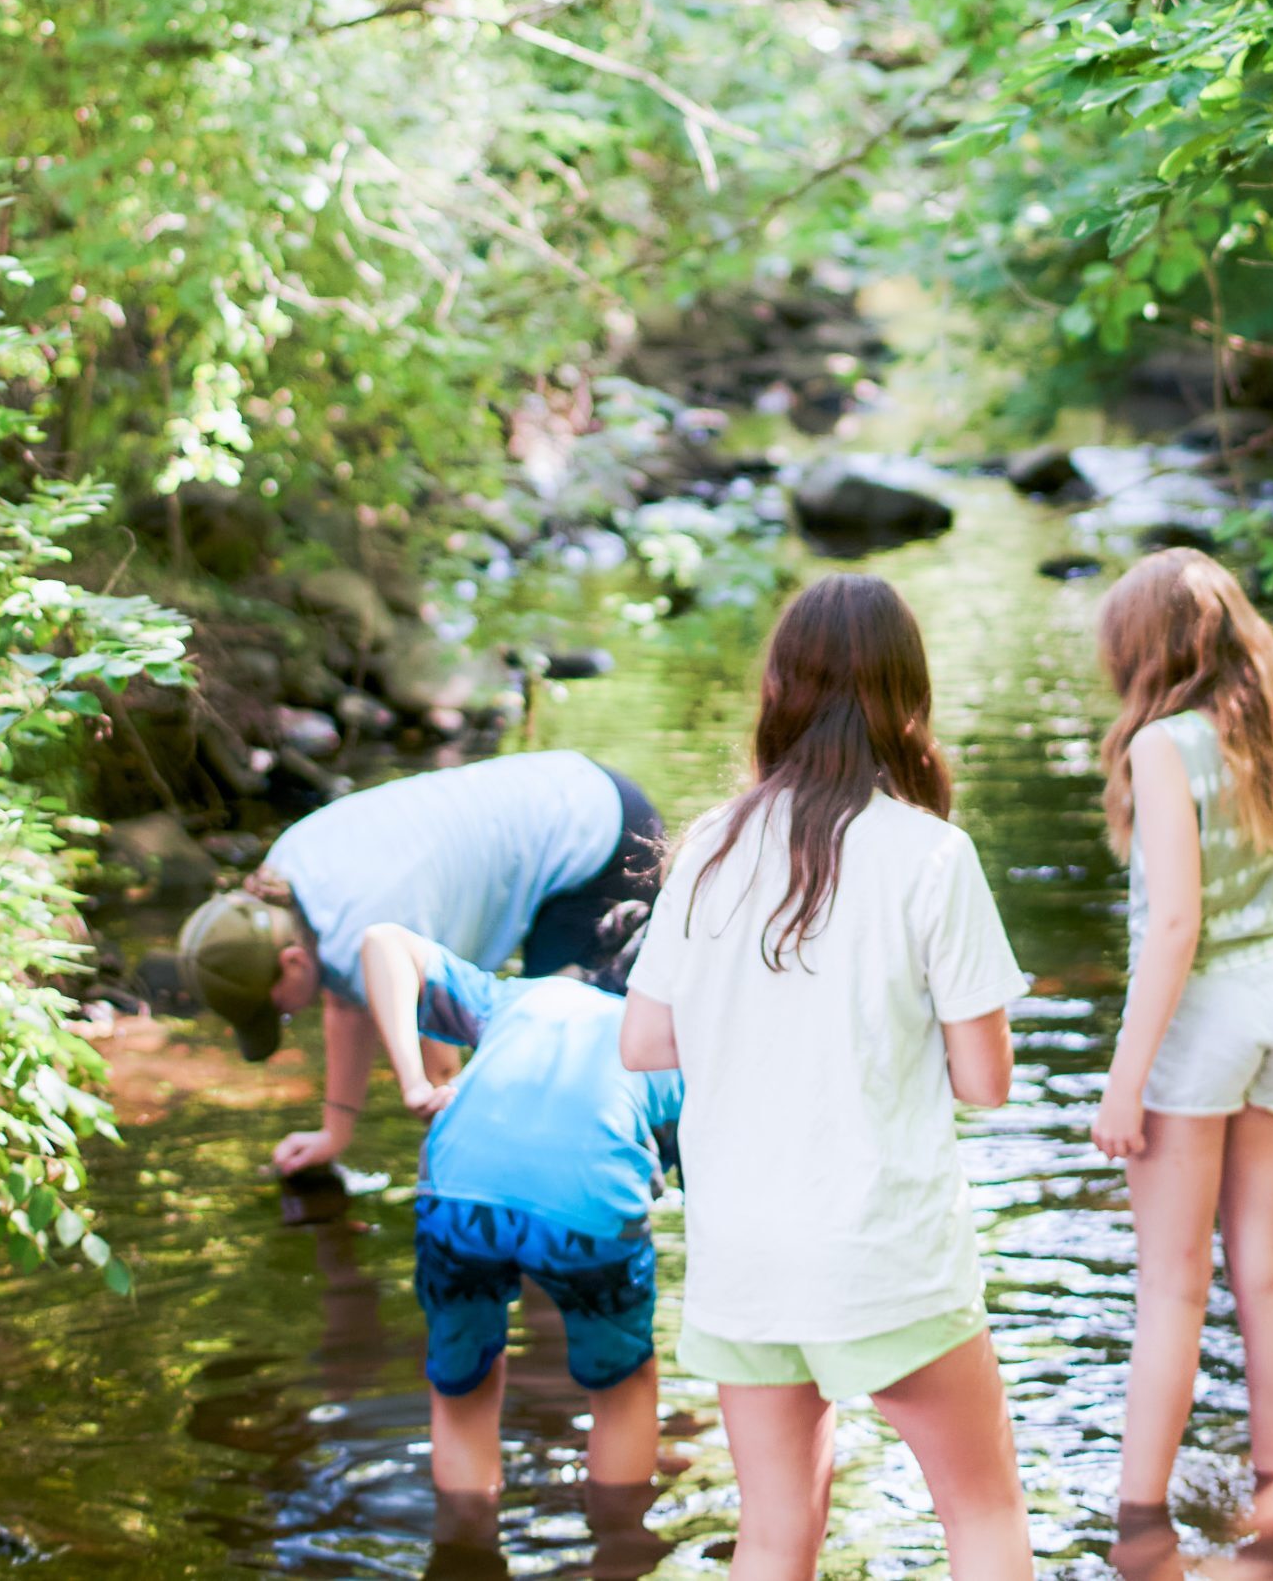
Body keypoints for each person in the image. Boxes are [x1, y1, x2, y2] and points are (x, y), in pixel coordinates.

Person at [618, 574, 1034, 1581]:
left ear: (780, 690)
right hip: (880, 1247)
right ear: (907, 695)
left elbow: (643, 1042)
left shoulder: (710, 843)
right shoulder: (932, 855)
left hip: (745, 1251)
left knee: (773, 1532)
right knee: (980, 1518)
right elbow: (985, 1080)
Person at [1087, 549, 1273, 1536]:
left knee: (1170, 1286)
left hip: (1199, 1020)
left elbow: (1174, 927)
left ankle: (1138, 1524)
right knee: (1269, 1269)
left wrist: (1123, 1081)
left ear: (1146, 653)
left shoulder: (1162, 746)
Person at [351, 915, 680, 1557]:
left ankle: (467, 1552)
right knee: (622, 1390)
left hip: (458, 1193)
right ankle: (618, 1551)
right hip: (587, 1208)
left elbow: (381, 942)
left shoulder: (521, 996)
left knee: (464, 1391)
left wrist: (416, 1083)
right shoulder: (675, 1038)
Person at [172, 750, 663, 1174]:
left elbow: (441, 1068)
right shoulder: (284, 878)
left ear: (294, 962)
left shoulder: (373, 921)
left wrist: (445, 1174)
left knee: (558, 1052)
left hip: (604, 838)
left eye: (278, 1009)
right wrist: (334, 1134)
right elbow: (348, 1002)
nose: (288, 1016)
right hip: (564, 783)